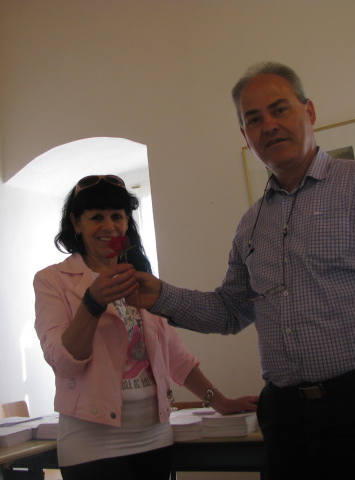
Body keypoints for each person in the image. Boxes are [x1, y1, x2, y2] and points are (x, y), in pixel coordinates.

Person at [126, 62, 355, 480]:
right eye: (254, 119)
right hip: (286, 418)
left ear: (310, 111)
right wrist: (160, 296)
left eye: (279, 109)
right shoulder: (251, 224)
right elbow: (231, 310)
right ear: (245, 136)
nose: (268, 125)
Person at [33, 174, 258, 480]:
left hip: (154, 437)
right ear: (76, 223)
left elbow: (176, 356)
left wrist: (221, 402)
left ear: (127, 222)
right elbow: (63, 361)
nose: (109, 226)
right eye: (96, 217)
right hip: (92, 443)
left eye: (117, 216)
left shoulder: (139, 278)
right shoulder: (52, 280)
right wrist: (92, 304)